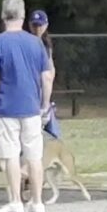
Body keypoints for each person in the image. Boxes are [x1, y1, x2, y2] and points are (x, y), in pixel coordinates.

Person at [0, 0, 53, 212]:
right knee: (34, 156)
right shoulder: (35, 42)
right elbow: (47, 77)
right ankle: (38, 202)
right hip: (31, 107)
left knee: (11, 155)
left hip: (6, 108)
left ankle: (15, 201)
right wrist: (44, 104)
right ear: (23, 16)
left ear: (4, 16)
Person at [28, 9, 61, 139]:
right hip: (32, 90)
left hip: (42, 89)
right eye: (34, 25)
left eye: (40, 25)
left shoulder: (46, 44)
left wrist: (46, 101)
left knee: (48, 121)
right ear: (29, 25)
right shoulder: (28, 43)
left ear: (46, 25)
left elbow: (50, 71)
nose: (37, 28)